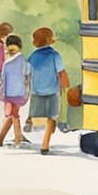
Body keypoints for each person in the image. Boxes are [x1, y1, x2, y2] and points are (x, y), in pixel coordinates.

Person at [26, 26, 69, 155]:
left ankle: (36, 132)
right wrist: (65, 85)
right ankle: (45, 144)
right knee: (51, 117)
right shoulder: (55, 55)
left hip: (37, 91)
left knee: (37, 117)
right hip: (52, 90)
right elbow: (61, 72)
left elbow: (27, 73)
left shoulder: (32, 56)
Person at [0, 34, 29, 148]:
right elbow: (27, 76)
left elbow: (3, 79)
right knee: (13, 116)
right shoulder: (23, 61)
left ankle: (5, 140)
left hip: (9, 94)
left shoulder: (6, 63)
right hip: (19, 93)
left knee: (12, 116)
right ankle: (15, 139)